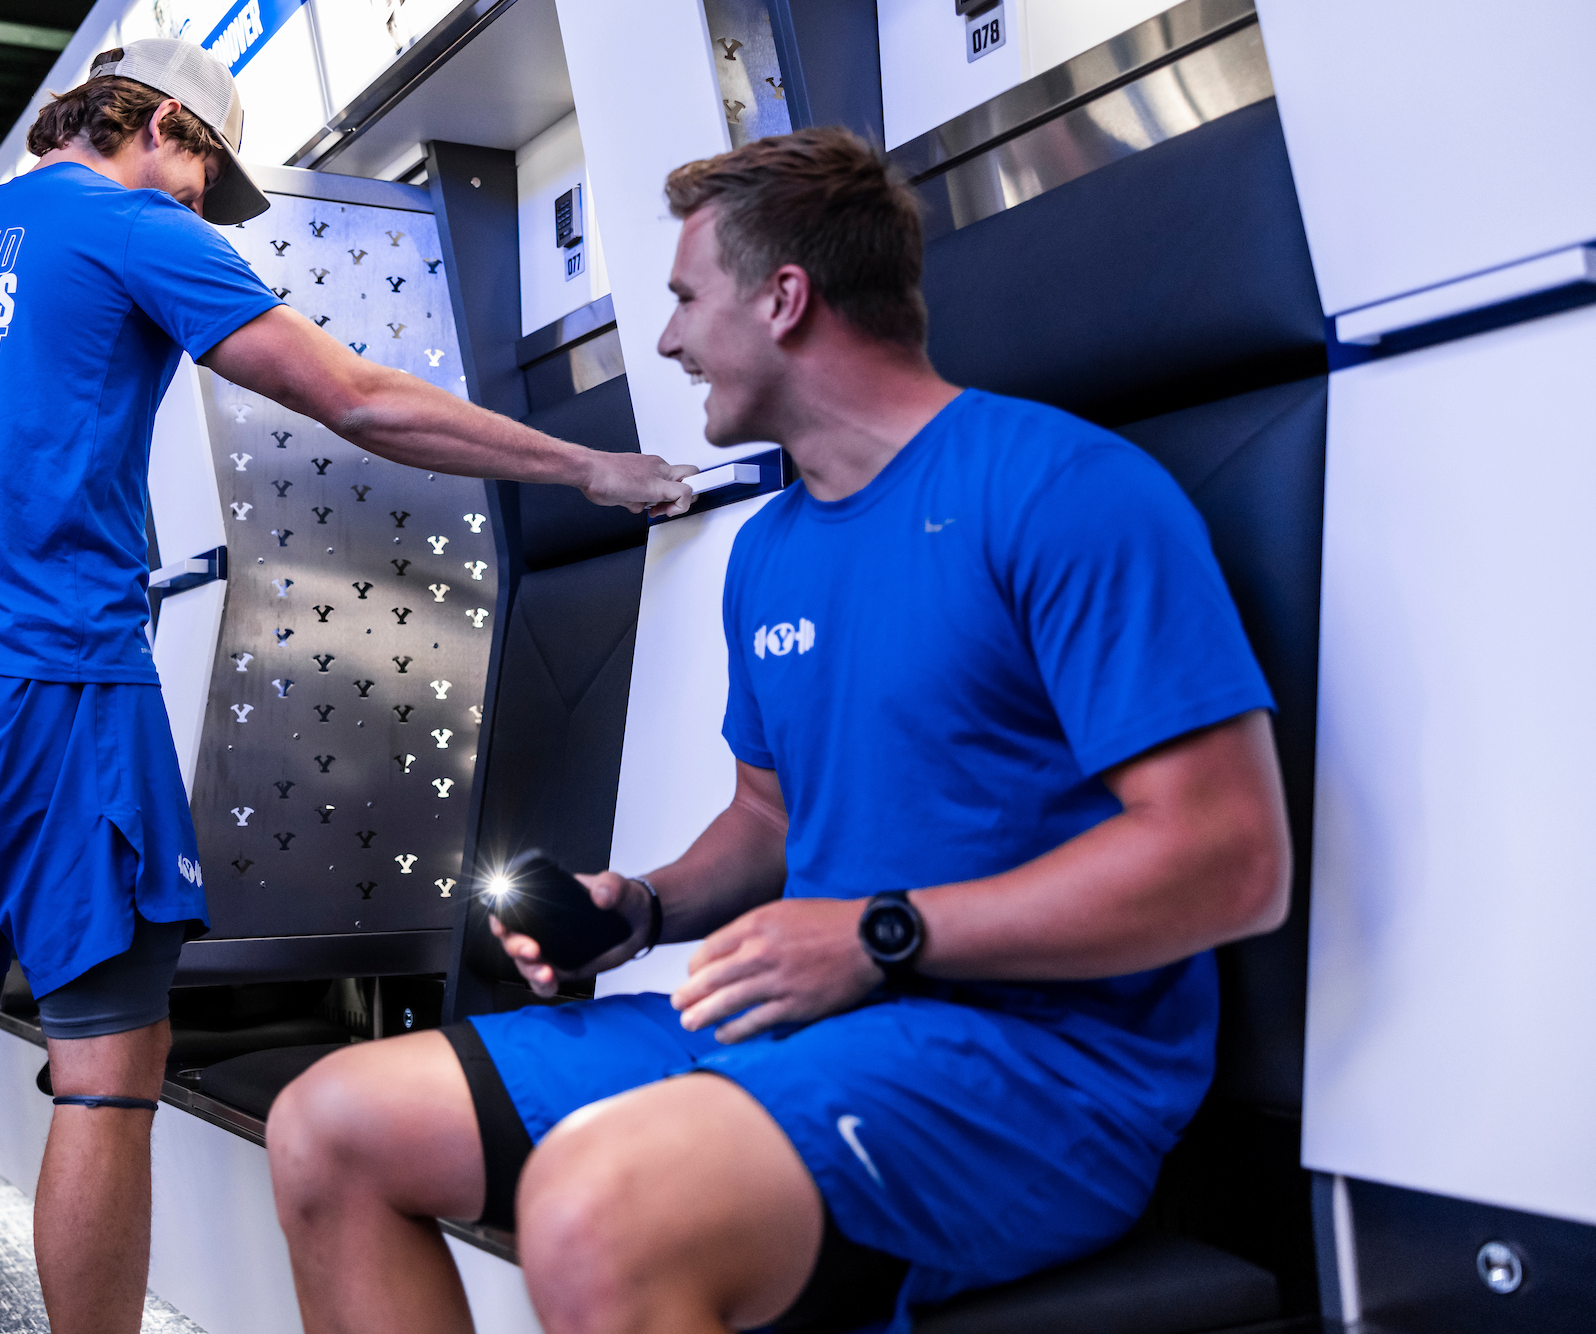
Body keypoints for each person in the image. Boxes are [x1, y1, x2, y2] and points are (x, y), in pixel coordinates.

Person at [265, 128, 1298, 1334]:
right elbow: (769, 818)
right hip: (805, 1027)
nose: (666, 338)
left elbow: (1231, 856)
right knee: (329, 1124)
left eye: (686, 299)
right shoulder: (773, 549)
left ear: (785, 299)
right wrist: (637, 909)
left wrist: (881, 934)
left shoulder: (1065, 490)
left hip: (1038, 1069)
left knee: (593, 1207)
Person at [0, 39, 692, 1334]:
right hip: (47, 686)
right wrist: (584, 468)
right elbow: (357, 399)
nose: (195, 212)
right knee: (109, 1070)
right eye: (198, 179)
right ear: (162, 122)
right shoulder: (125, 227)